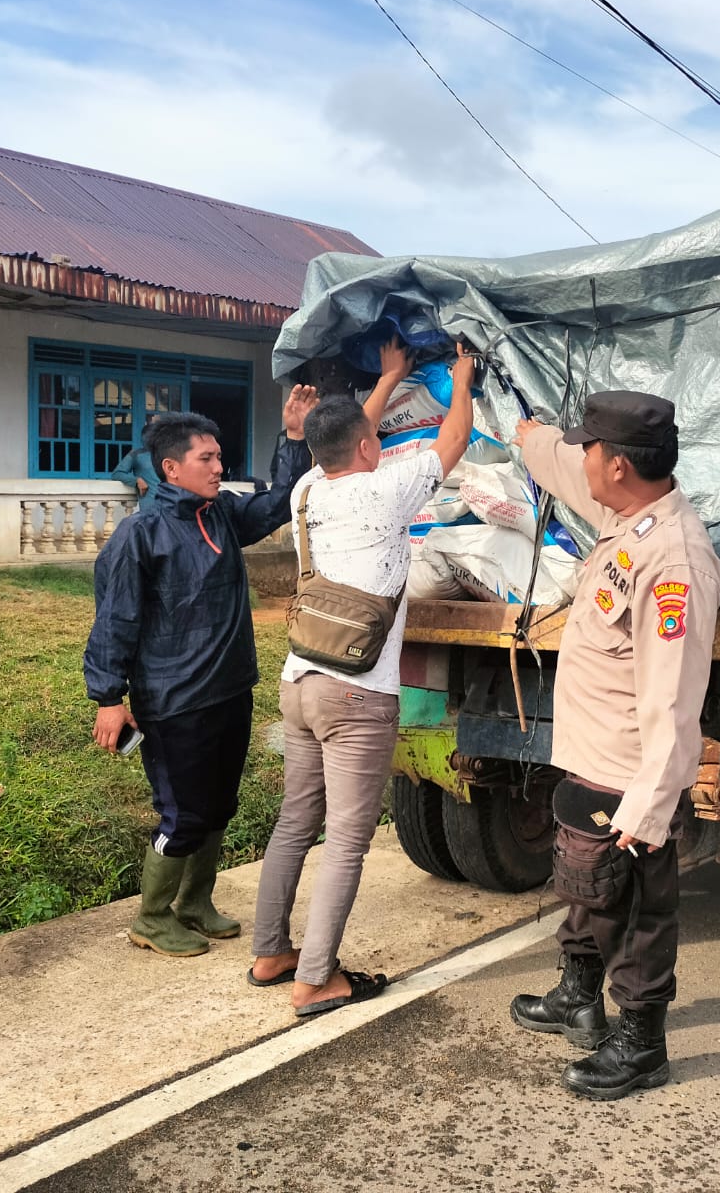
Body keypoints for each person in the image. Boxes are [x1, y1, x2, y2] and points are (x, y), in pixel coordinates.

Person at [248, 339, 474, 1015]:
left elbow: (348, 436)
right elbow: (456, 434)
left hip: (299, 683)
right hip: (356, 692)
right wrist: (461, 378)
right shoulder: (387, 491)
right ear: (370, 448)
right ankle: (316, 979)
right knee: (346, 840)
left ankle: (270, 953)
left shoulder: (306, 490)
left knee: (296, 822)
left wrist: (387, 379)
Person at [508, 390, 720, 1101]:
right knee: (585, 887)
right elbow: (561, 468)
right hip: (590, 759)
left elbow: (673, 698)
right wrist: (527, 433)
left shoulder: (674, 561)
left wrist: (651, 808)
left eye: (591, 448)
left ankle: (641, 1044)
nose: (583, 457)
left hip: (632, 773)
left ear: (621, 465)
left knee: (634, 906)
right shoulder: (624, 513)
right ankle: (577, 995)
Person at [84, 392, 319, 957]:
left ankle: (195, 903)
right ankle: (152, 915)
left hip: (229, 690)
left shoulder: (220, 515)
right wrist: (108, 697)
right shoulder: (141, 536)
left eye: (220, 458)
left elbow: (281, 503)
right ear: (171, 468)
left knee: (219, 805)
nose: (219, 468)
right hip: (173, 702)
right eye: (206, 459)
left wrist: (292, 438)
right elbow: (115, 619)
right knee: (182, 812)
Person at [111, 445, 162, 511]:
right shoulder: (137, 454)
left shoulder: (173, 454)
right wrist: (137, 480)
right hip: (150, 509)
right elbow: (117, 474)